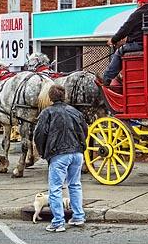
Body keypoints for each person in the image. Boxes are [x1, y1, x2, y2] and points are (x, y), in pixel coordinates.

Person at [33, 84, 88, 232]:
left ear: (50, 97)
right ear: (64, 96)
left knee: (55, 188)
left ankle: (58, 222)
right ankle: (78, 216)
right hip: (77, 153)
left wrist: (43, 152)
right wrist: (81, 147)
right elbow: (85, 130)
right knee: (75, 184)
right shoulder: (75, 111)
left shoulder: (47, 113)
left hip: (59, 154)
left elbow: (39, 135)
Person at [102, 0, 148, 86]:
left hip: (141, 44)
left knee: (119, 51)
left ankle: (106, 78)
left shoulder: (138, 14)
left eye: (137, 3)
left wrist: (113, 40)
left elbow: (125, 29)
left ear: (140, 3)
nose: (137, 5)